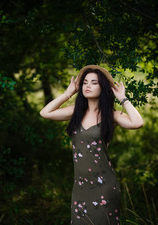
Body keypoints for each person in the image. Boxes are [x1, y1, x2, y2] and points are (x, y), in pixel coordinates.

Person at [40, 65, 143, 225]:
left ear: (103, 87)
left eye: (94, 82)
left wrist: (123, 98)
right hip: (80, 187)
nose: (88, 85)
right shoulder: (75, 112)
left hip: (104, 187)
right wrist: (67, 94)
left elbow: (137, 123)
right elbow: (45, 112)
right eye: (85, 82)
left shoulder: (112, 114)